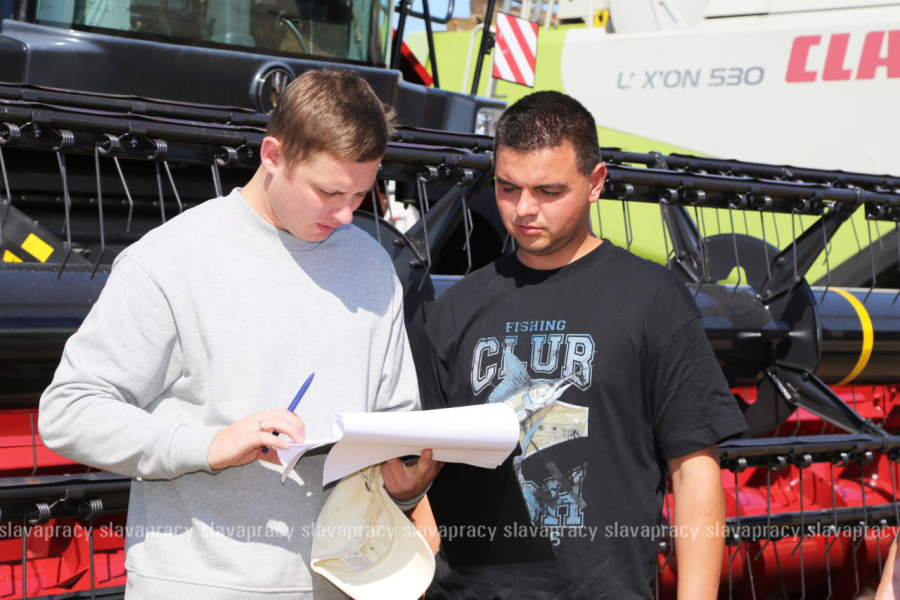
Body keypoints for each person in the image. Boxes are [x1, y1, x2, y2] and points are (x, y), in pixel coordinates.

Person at [39, 69, 440, 599]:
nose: (346, 214)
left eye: (362, 195)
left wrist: (405, 488)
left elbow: (392, 419)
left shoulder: (371, 264)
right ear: (271, 155)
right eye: (329, 191)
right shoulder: (170, 261)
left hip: (346, 584)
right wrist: (210, 444)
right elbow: (69, 412)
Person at [414, 91, 747, 599]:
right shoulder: (459, 307)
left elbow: (694, 469)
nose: (524, 209)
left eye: (549, 191)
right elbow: (420, 459)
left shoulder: (651, 300)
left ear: (595, 184)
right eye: (507, 188)